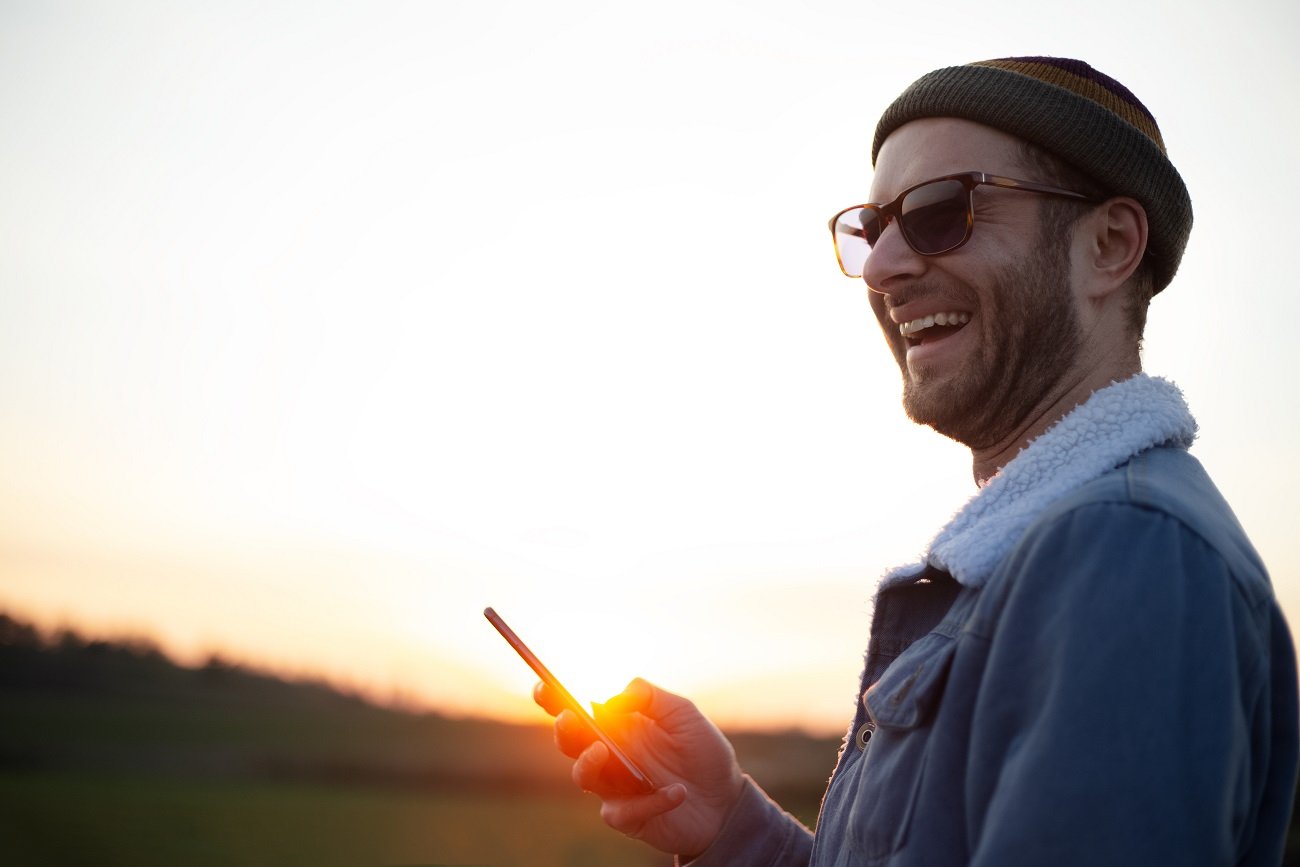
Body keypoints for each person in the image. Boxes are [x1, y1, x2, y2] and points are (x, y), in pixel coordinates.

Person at [534, 56, 1300, 866]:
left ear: (1108, 245)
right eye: (872, 227)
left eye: (941, 212)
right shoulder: (1056, 551)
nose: (885, 267)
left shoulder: (1130, 557)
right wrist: (730, 827)